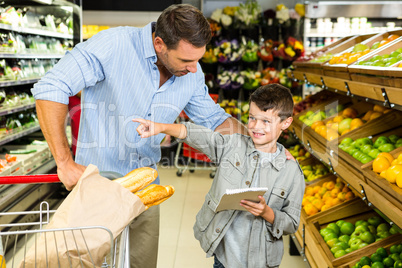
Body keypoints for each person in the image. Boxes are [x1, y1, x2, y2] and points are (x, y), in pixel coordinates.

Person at [32, 4, 247, 268]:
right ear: (159, 44)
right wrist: (64, 162)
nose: (194, 69)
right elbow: (51, 87)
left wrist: (260, 145)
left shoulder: (191, 72)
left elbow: (215, 119)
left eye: (197, 60)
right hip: (97, 188)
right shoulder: (114, 45)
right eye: (185, 61)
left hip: (145, 192)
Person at [134, 83, 305, 268]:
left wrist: (267, 213)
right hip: (223, 254)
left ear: (286, 123)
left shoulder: (292, 172)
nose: (256, 126)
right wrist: (161, 127)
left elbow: (292, 223)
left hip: (261, 261)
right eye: (252, 118)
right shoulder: (232, 145)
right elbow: (195, 134)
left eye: (266, 121)